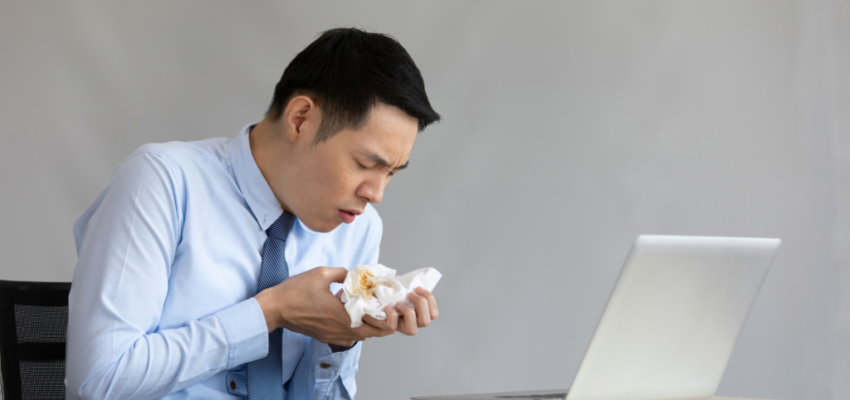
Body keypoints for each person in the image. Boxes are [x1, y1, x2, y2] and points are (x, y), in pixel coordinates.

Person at [66, 27, 441, 400]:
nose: (375, 193)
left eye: (390, 173)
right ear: (300, 119)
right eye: (364, 164)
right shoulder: (162, 181)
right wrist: (271, 313)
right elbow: (100, 381)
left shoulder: (357, 229)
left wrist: (339, 341)